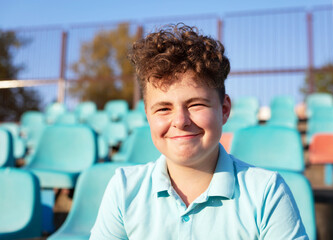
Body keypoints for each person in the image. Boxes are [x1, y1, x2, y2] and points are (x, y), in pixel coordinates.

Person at [90, 23, 308, 239]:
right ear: (148, 116)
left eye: (196, 105)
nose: (180, 121)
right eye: (164, 108)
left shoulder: (266, 192)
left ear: (224, 110)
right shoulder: (124, 188)